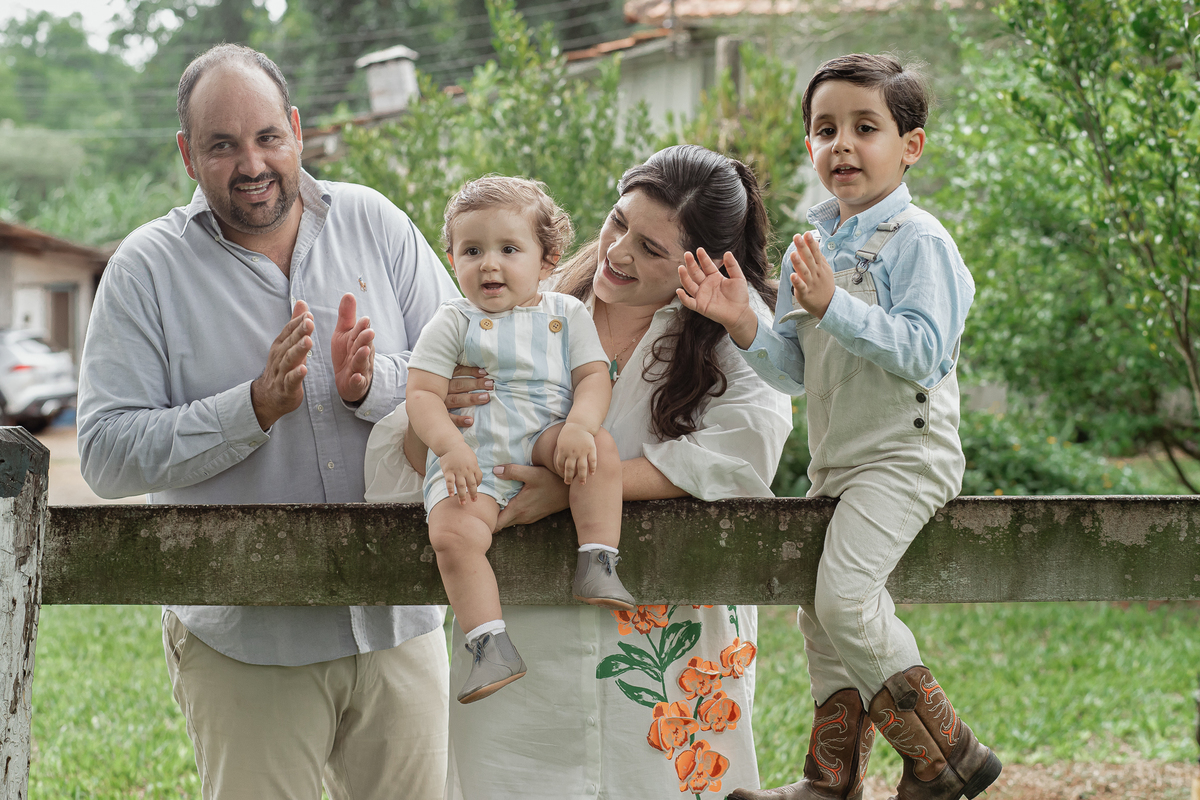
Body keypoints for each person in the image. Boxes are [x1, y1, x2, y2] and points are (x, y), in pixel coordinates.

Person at [76, 44, 473, 800]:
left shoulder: (376, 222)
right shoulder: (145, 268)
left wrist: (371, 386)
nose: (251, 163)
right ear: (188, 156)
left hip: (399, 616)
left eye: (266, 137)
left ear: (296, 128)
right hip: (247, 636)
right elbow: (103, 453)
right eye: (222, 145)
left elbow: (467, 373)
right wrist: (251, 408)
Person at [363, 144, 793, 799]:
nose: (618, 252)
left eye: (651, 249)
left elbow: (743, 449)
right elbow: (416, 448)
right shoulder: (526, 302)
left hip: (666, 634)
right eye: (619, 222)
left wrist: (572, 490)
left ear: (703, 262)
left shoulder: (735, 332)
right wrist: (444, 419)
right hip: (530, 631)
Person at [677, 54, 1001, 800]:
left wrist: (835, 307)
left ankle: (950, 756)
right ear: (810, 147)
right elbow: (797, 371)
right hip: (839, 461)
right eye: (826, 130)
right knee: (820, 621)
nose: (843, 145)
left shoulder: (920, 240)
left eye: (865, 127)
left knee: (846, 602)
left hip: (905, 456)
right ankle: (831, 782)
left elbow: (925, 352)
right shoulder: (816, 249)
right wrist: (742, 319)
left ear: (910, 146)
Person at [406, 176, 636, 704]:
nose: (489, 264)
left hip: (544, 435)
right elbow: (421, 394)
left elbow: (593, 377)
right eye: (472, 251)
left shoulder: (566, 314)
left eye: (509, 249)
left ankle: (598, 558)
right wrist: (449, 447)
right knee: (452, 536)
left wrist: (579, 425)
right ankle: (489, 644)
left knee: (599, 449)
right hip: (474, 453)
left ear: (547, 260)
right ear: (452, 261)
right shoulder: (452, 320)